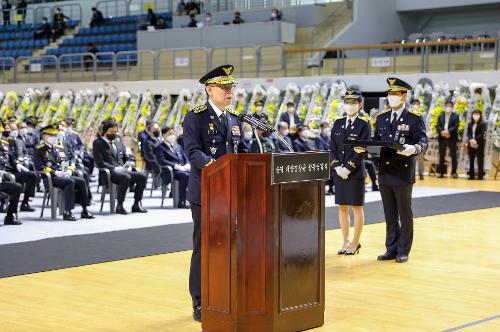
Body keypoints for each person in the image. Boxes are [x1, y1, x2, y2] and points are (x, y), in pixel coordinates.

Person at [183, 64, 244, 322]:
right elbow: (193, 151)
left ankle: (225, 292)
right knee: (204, 247)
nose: (229, 92)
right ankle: (199, 300)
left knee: (229, 245)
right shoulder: (195, 116)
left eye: (231, 88)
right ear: (210, 90)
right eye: (224, 88)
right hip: (206, 192)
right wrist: (216, 167)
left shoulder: (234, 118)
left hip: (231, 192)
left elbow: (240, 151)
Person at [374, 78, 427, 263]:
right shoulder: (381, 118)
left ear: (404, 96)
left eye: (396, 94)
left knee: (404, 213)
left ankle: (404, 249)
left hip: (403, 172)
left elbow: (423, 141)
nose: (392, 97)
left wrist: (415, 149)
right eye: (390, 93)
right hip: (385, 172)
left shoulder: (414, 118)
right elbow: (376, 143)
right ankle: (391, 248)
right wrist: (365, 150)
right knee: (389, 214)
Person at [331, 90, 371, 255]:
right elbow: (332, 147)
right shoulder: (338, 122)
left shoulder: (364, 124)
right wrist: (337, 167)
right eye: (347, 102)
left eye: (353, 102)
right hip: (339, 172)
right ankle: (345, 241)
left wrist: (347, 168)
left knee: (356, 207)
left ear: (359, 104)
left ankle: (355, 242)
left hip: (354, 172)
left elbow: (361, 149)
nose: (349, 105)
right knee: (342, 207)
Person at [34, 124, 94, 221]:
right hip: (51, 178)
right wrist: (55, 172)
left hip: (63, 175)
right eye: (51, 135)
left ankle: (84, 209)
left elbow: (65, 161)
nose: (54, 137)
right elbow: (39, 167)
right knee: (70, 182)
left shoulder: (58, 148)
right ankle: (67, 211)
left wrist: (69, 170)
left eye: (54, 135)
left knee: (81, 181)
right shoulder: (39, 149)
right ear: (44, 136)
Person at [93, 119, 148, 215]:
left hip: (122, 170)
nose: (113, 134)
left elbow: (125, 157)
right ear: (105, 132)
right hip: (109, 172)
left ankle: (136, 204)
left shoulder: (118, 142)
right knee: (126, 177)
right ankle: (119, 205)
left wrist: (130, 164)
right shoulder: (98, 143)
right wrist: (114, 168)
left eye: (115, 132)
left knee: (142, 176)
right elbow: (99, 162)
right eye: (111, 132)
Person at [1, 122, 37, 212]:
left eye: (10, 129)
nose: (8, 131)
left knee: (32, 175)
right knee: (14, 184)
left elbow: (12, 158)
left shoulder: (11, 142)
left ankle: (25, 202)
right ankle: (3, 204)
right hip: (3, 173)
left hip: (11, 170)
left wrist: (17, 164)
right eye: (7, 129)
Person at [155, 127, 190, 208]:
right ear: (163, 135)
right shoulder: (160, 147)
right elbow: (161, 160)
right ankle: (182, 201)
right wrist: (175, 166)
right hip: (170, 171)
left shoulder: (178, 146)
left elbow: (185, 158)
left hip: (183, 169)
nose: (172, 136)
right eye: (169, 134)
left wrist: (187, 164)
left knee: (195, 174)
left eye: (173, 134)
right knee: (185, 176)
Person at [436, 99, 459, 178]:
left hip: (451, 137)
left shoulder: (456, 116)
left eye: (450, 106)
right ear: (444, 106)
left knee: (453, 156)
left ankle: (454, 172)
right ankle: (441, 173)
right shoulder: (440, 115)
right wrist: (442, 132)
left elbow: (456, 126)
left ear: (452, 107)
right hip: (442, 138)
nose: (448, 107)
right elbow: (438, 125)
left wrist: (448, 132)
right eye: (447, 106)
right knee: (441, 155)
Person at [466, 109, 486, 180]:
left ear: (480, 116)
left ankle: (480, 176)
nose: (476, 116)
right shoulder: (470, 124)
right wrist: (471, 139)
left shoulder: (483, 124)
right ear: (472, 115)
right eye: (474, 114)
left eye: (477, 114)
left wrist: (475, 140)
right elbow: (468, 133)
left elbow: (482, 134)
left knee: (480, 160)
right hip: (471, 144)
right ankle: (471, 176)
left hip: (479, 144)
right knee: (471, 159)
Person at [315, 121, 334, 194]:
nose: (327, 129)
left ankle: (331, 188)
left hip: (329, 157)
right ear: (322, 128)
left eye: (327, 127)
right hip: (322, 158)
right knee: (330, 167)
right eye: (325, 128)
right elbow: (321, 149)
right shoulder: (318, 138)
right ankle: (329, 188)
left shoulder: (328, 137)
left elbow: (331, 147)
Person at [410, 99, 425, 180]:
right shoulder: (408, 115)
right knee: (412, 158)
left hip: (420, 140)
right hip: (411, 140)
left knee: (420, 159)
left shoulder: (422, 115)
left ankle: (421, 174)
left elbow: (424, 128)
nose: (415, 105)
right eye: (414, 104)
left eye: (417, 104)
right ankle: (412, 175)